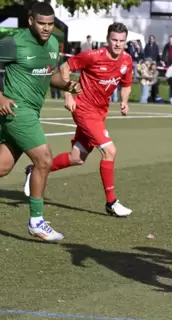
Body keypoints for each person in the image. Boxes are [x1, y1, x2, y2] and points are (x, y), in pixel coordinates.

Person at [24, 22, 134, 217]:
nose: (117, 44)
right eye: (114, 40)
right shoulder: (92, 56)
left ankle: (34, 170)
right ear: (107, 39)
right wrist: (69, 95)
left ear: (126, 41)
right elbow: (64, 68)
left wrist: (124, 100)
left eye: (122, 41)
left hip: (100, 113)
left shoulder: (127, 61)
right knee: (110, 151)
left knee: (77, 158)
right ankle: (111, 202)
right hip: (84, 109)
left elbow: (126, 84)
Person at [0, 2, 81, 241]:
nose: (47, 28)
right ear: (30, 21)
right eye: (42, 23)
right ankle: (36, 221)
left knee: (3, 167)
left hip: (31, 112)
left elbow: (48, 74)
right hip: (17, 111)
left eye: (50, 24)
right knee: (44, 160)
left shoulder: (54, 43)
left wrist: (68, 84)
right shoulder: (14, 42)